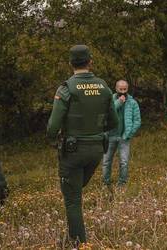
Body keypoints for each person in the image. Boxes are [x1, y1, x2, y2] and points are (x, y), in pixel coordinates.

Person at [47, 45, 118, 245]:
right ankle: (75, 237)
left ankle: (78, 243)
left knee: (72, 200)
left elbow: (52, 127)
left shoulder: (66, 88)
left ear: (71, 64)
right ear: (90, 62)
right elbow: (114, 123)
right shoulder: (103, 87)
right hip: (96, 150)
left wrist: (55, 137)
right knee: (76, 190)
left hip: (72, 152)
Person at [102, 80, 141, 188]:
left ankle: (122, 183)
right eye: (121, 89)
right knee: (106, 161)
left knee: (124, 162)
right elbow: (106, 114)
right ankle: (106, 183)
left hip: (124, 137)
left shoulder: (133, 103)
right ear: (116, 88)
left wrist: (129, 134)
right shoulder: (109, 100)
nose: (123, 91)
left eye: (125, 89)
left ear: (127, 89)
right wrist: (119, 102)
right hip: (110, 136)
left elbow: (137, 121)